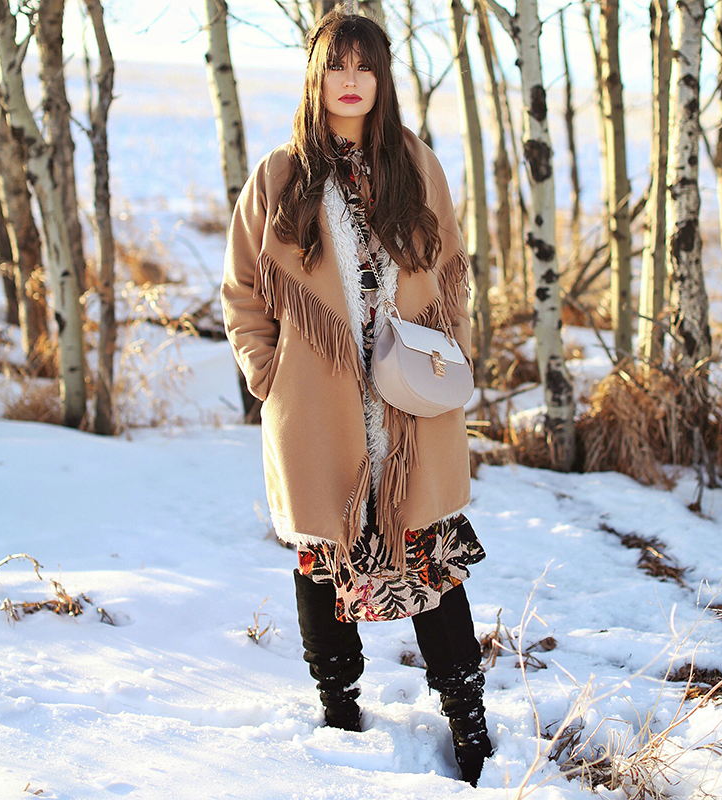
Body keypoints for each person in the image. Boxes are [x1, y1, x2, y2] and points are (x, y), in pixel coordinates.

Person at [221, 10, 492, 786]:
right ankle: (339, 710)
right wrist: (265, 371)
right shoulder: (279, 175)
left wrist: (452, 355)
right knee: (322, 563)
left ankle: (468, 723)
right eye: (336, 66)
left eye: (364, 66)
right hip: (317, 407)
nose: (350, 81)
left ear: (381, 78)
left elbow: (452, 274)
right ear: (317, 78)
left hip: (408, 404)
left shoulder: (414, 162)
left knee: (431, 559)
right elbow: (243, 288)